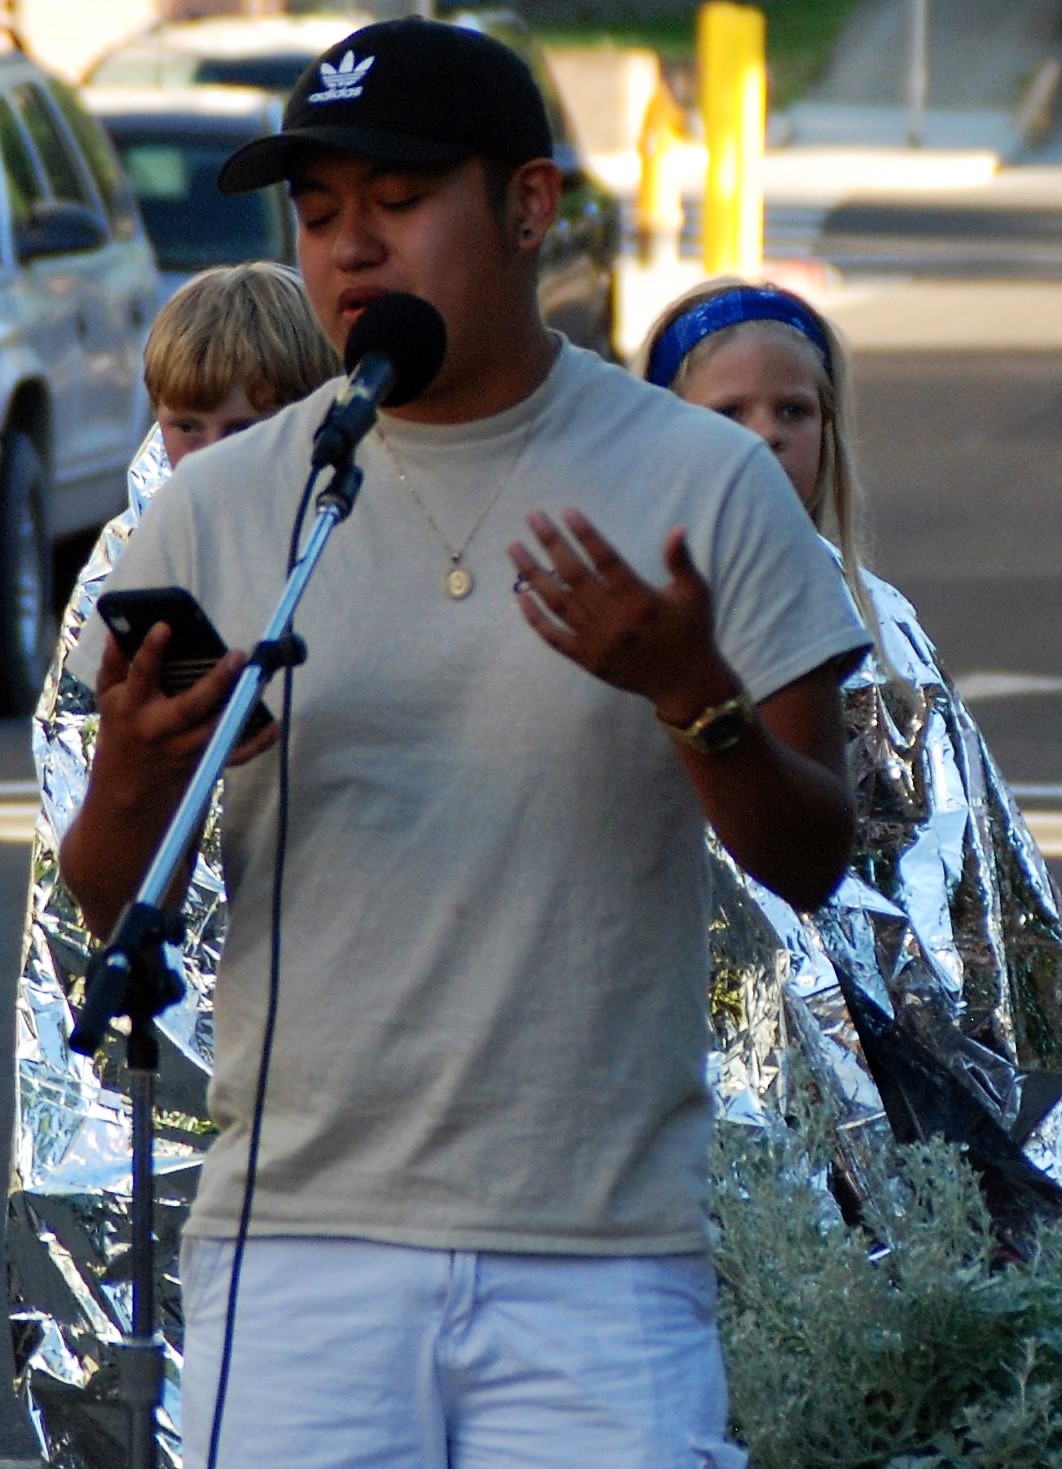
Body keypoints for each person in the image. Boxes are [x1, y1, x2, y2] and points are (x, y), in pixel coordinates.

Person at [57, 20, 870, 1469]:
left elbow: (813, 855)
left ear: (529, 207)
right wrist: (135, 778)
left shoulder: (704, 481)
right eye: (317, 215)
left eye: (397, 201)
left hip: (602, 1253)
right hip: (298, 1246)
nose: (350, 250)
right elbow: (117, 896)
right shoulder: (229, 505)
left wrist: (692, 695)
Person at [639, 278, 1062, 1213]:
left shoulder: (880, 628)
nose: (766, 435)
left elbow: (962, 902)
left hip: (869, 1090)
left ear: (829, 436)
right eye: (729, 411)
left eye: (795, 409)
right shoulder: (624, 614)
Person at [13, 262, 339, 1461]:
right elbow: (84, 845)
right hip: (171, 1050)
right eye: (183, 421)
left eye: (244, 425)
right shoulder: (123, 572)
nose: (207, 451)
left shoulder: (362, 547)